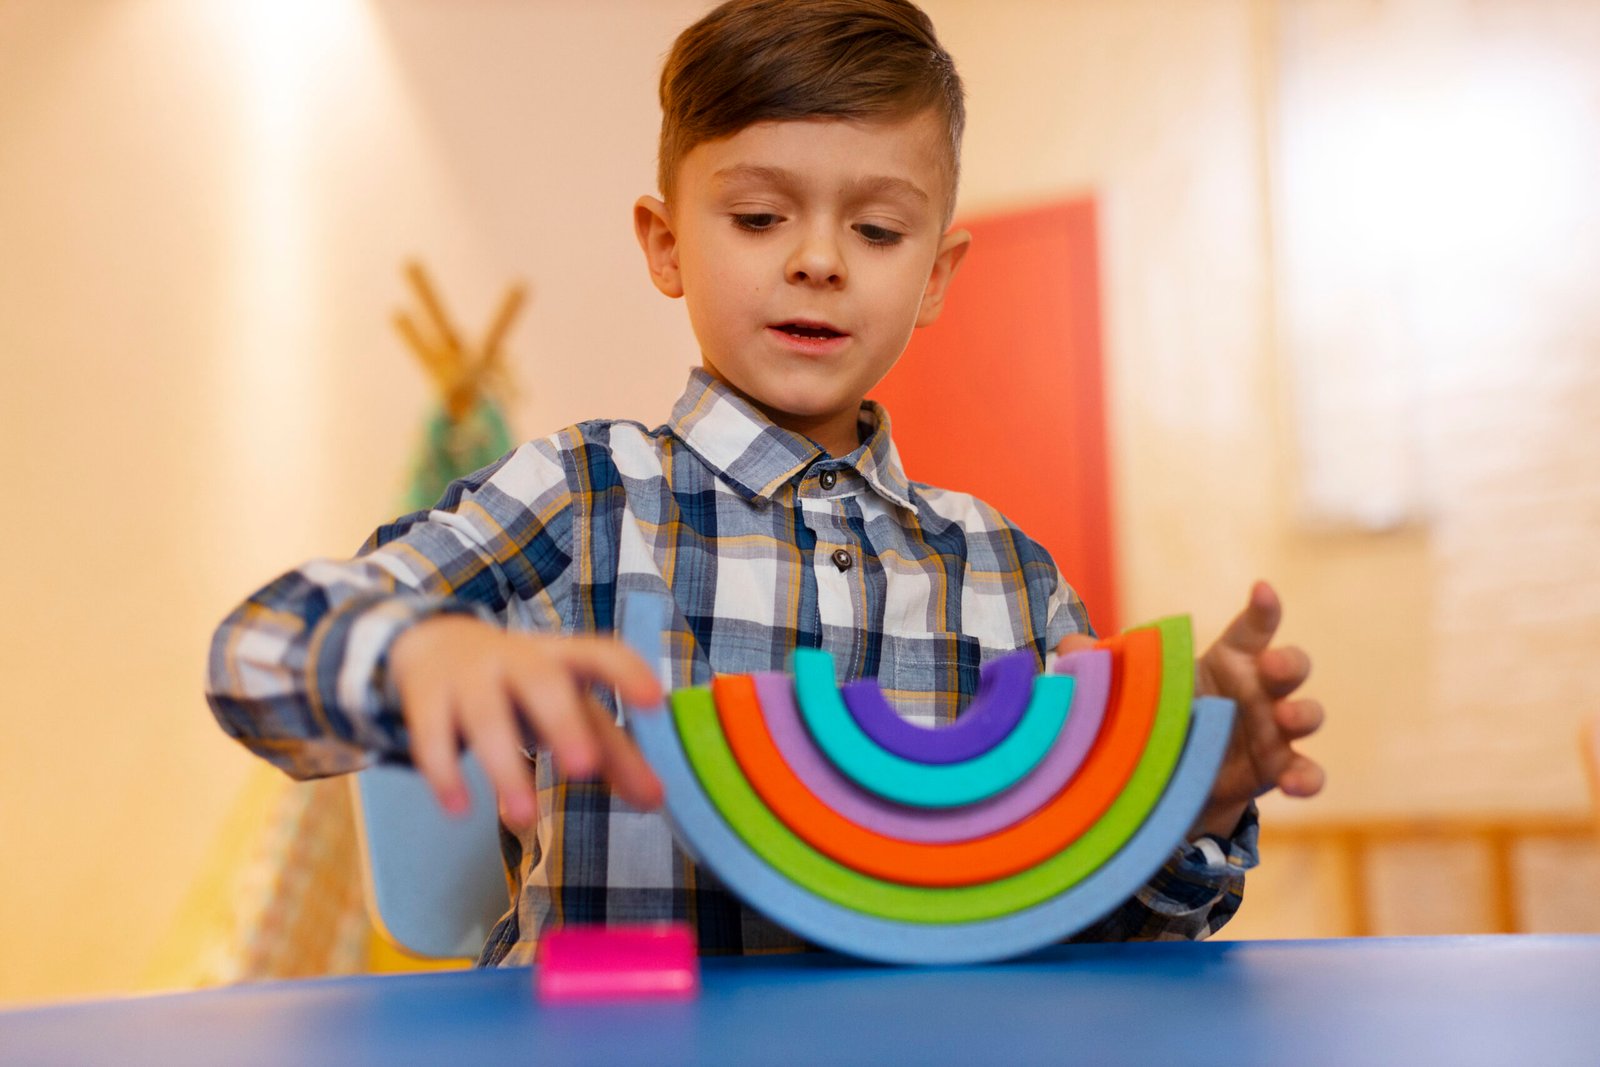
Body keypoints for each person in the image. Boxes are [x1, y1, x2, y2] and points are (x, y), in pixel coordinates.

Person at [206, 0, 1324, 967]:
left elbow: (1094, 934)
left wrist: (1189, 798)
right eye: (757, 217)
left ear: (935, 274)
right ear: (665, 244)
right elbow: (256, 655)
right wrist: (412, 645)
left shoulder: (1009, 576)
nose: (819, 260)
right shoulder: (585, 498)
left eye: (878, 229)